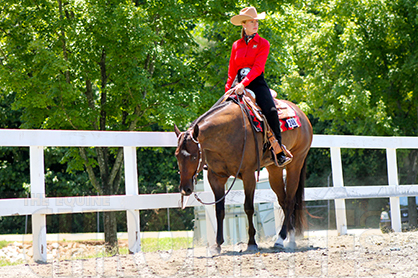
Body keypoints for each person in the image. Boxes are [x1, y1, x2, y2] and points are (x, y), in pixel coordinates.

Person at [226, 7, 292, 167]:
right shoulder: (236, 45)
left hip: (256, 82)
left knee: (271, 110)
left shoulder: (263, 43)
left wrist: (243, 84)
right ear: (244, 24)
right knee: (224, 113)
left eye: (256, 21)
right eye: (251, 21)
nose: (255, 24)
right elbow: (232, 70)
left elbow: (257, 68)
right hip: (238, 84)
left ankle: (278, 150)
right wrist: (228, 90)